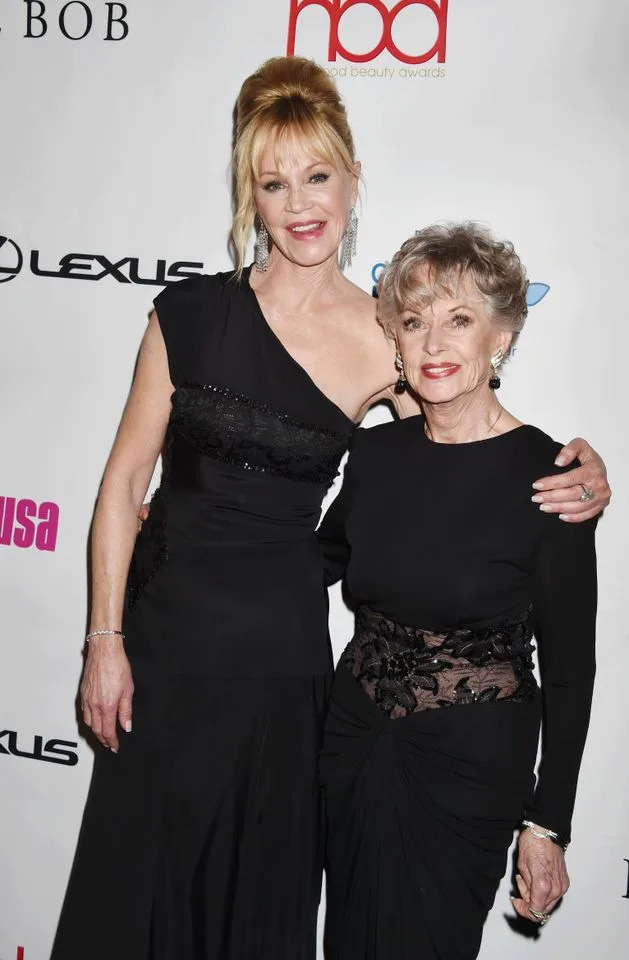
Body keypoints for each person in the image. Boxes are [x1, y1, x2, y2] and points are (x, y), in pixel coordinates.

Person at [51, 57, 608, 960]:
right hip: (161, 648)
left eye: (317, 176)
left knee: (250, 902)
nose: (299, 202)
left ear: (354, 182)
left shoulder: (385, 335)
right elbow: (121, 486)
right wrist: (103, 642)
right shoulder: (186, 314)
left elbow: (463, 436)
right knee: (135, 894)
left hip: (282, 668)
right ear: (250, 196)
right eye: (274, 183)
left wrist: (579, 470)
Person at [317, 222, 601, 960]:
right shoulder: (374, 452)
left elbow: (570, 670)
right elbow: (313, 560)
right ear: (395, 341)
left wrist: (546, 824)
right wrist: (198, 533)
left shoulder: (550, 478)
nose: (433, 344)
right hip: (351, 742)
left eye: (459, 320)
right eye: (413, 322)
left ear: (500, 337)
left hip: (466, 767)